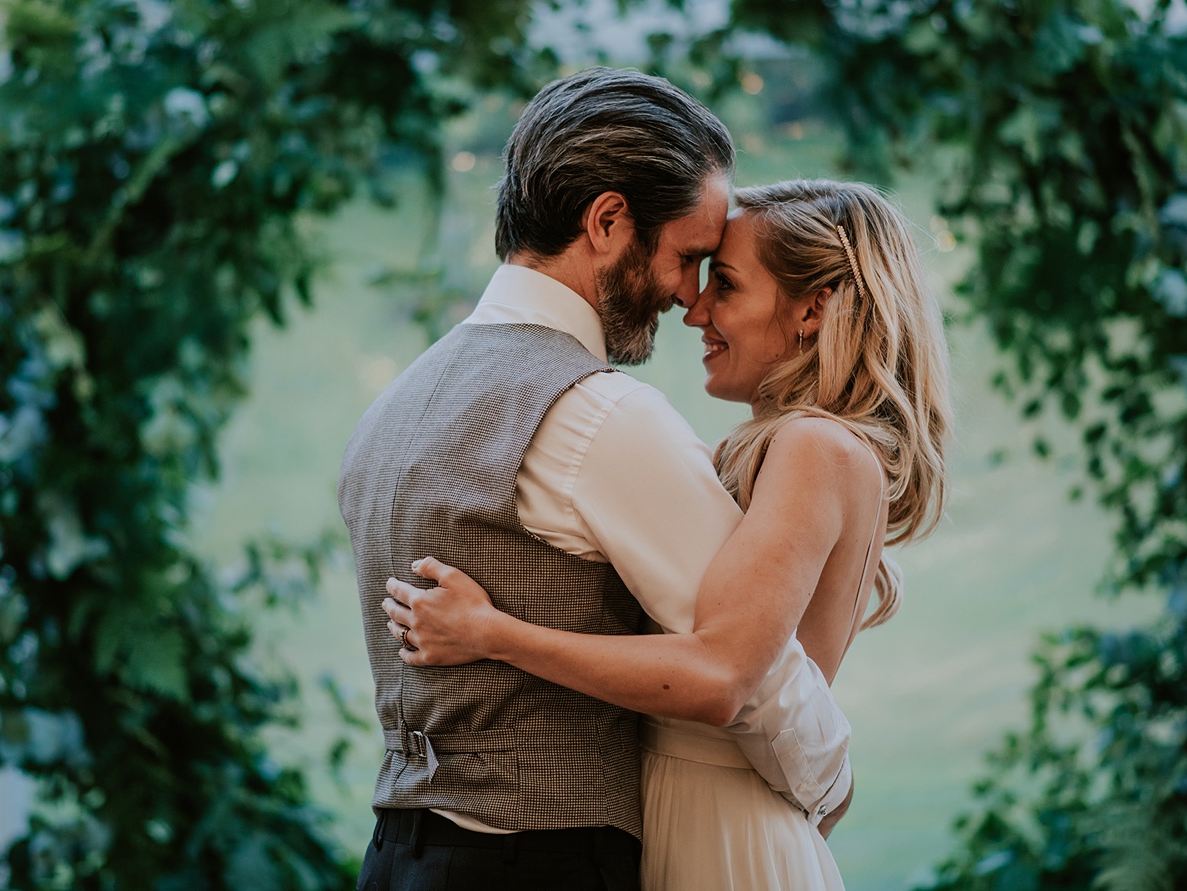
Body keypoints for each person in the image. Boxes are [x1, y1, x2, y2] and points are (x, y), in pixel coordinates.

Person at [338, 68, 855, 891]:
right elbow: (751, 677)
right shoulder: (595, 414)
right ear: (608, 220)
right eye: (688, 257)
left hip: (398, 858)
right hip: (535, 864)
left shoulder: (391, 409)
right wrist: (831, 782)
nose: (689, 296)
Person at [384, 179, 954, 889]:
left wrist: (491, 634)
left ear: (811, 308)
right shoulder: (767, 450)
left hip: (722, 824)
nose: (696, 310)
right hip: (684, 803)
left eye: (728, 285)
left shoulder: (815, 447)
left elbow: (718, 677)